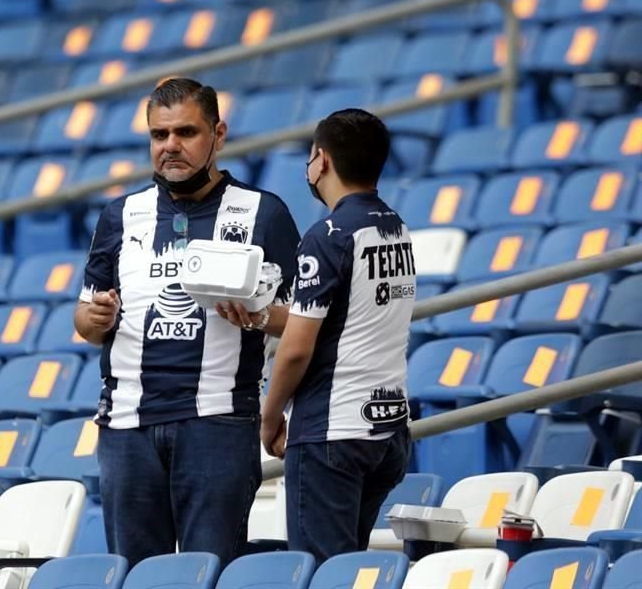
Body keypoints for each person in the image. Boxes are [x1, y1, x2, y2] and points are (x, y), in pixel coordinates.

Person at [74, 78, 301, 566]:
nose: (170, 145)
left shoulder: (263, 213)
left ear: (218, 134)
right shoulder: (120, 215)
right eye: (159, 135)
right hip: (127, 427)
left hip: (219, 423)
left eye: (186, 132)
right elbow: (86, 320)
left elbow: (302, 320)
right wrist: (95, 317)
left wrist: (261, 316)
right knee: (136, 575)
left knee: (208, 570)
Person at [260, 109, 415, 562]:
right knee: (351, 570)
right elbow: (344, 317)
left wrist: (270, 416)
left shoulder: (328, 235)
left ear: (322, 160)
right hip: (387, 431)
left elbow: (296, 350)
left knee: (323, 572)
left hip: (332, 433)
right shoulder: (395, 228)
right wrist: (258, 317)